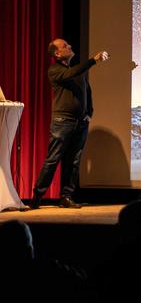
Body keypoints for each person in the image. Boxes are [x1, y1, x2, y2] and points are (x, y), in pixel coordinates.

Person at [29, 39, 109, 209]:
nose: (70, 46)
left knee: (74, 161)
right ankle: (37, 195)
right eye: (65, 46)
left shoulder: (77, 71)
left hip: (80, 123)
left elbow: (87, 91)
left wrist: (89, 113)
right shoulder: (55, 70)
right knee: (53, 159)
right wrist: (93, 60)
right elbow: (70, 74)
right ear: (57, 54)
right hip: (62, 122)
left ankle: (66, 196)